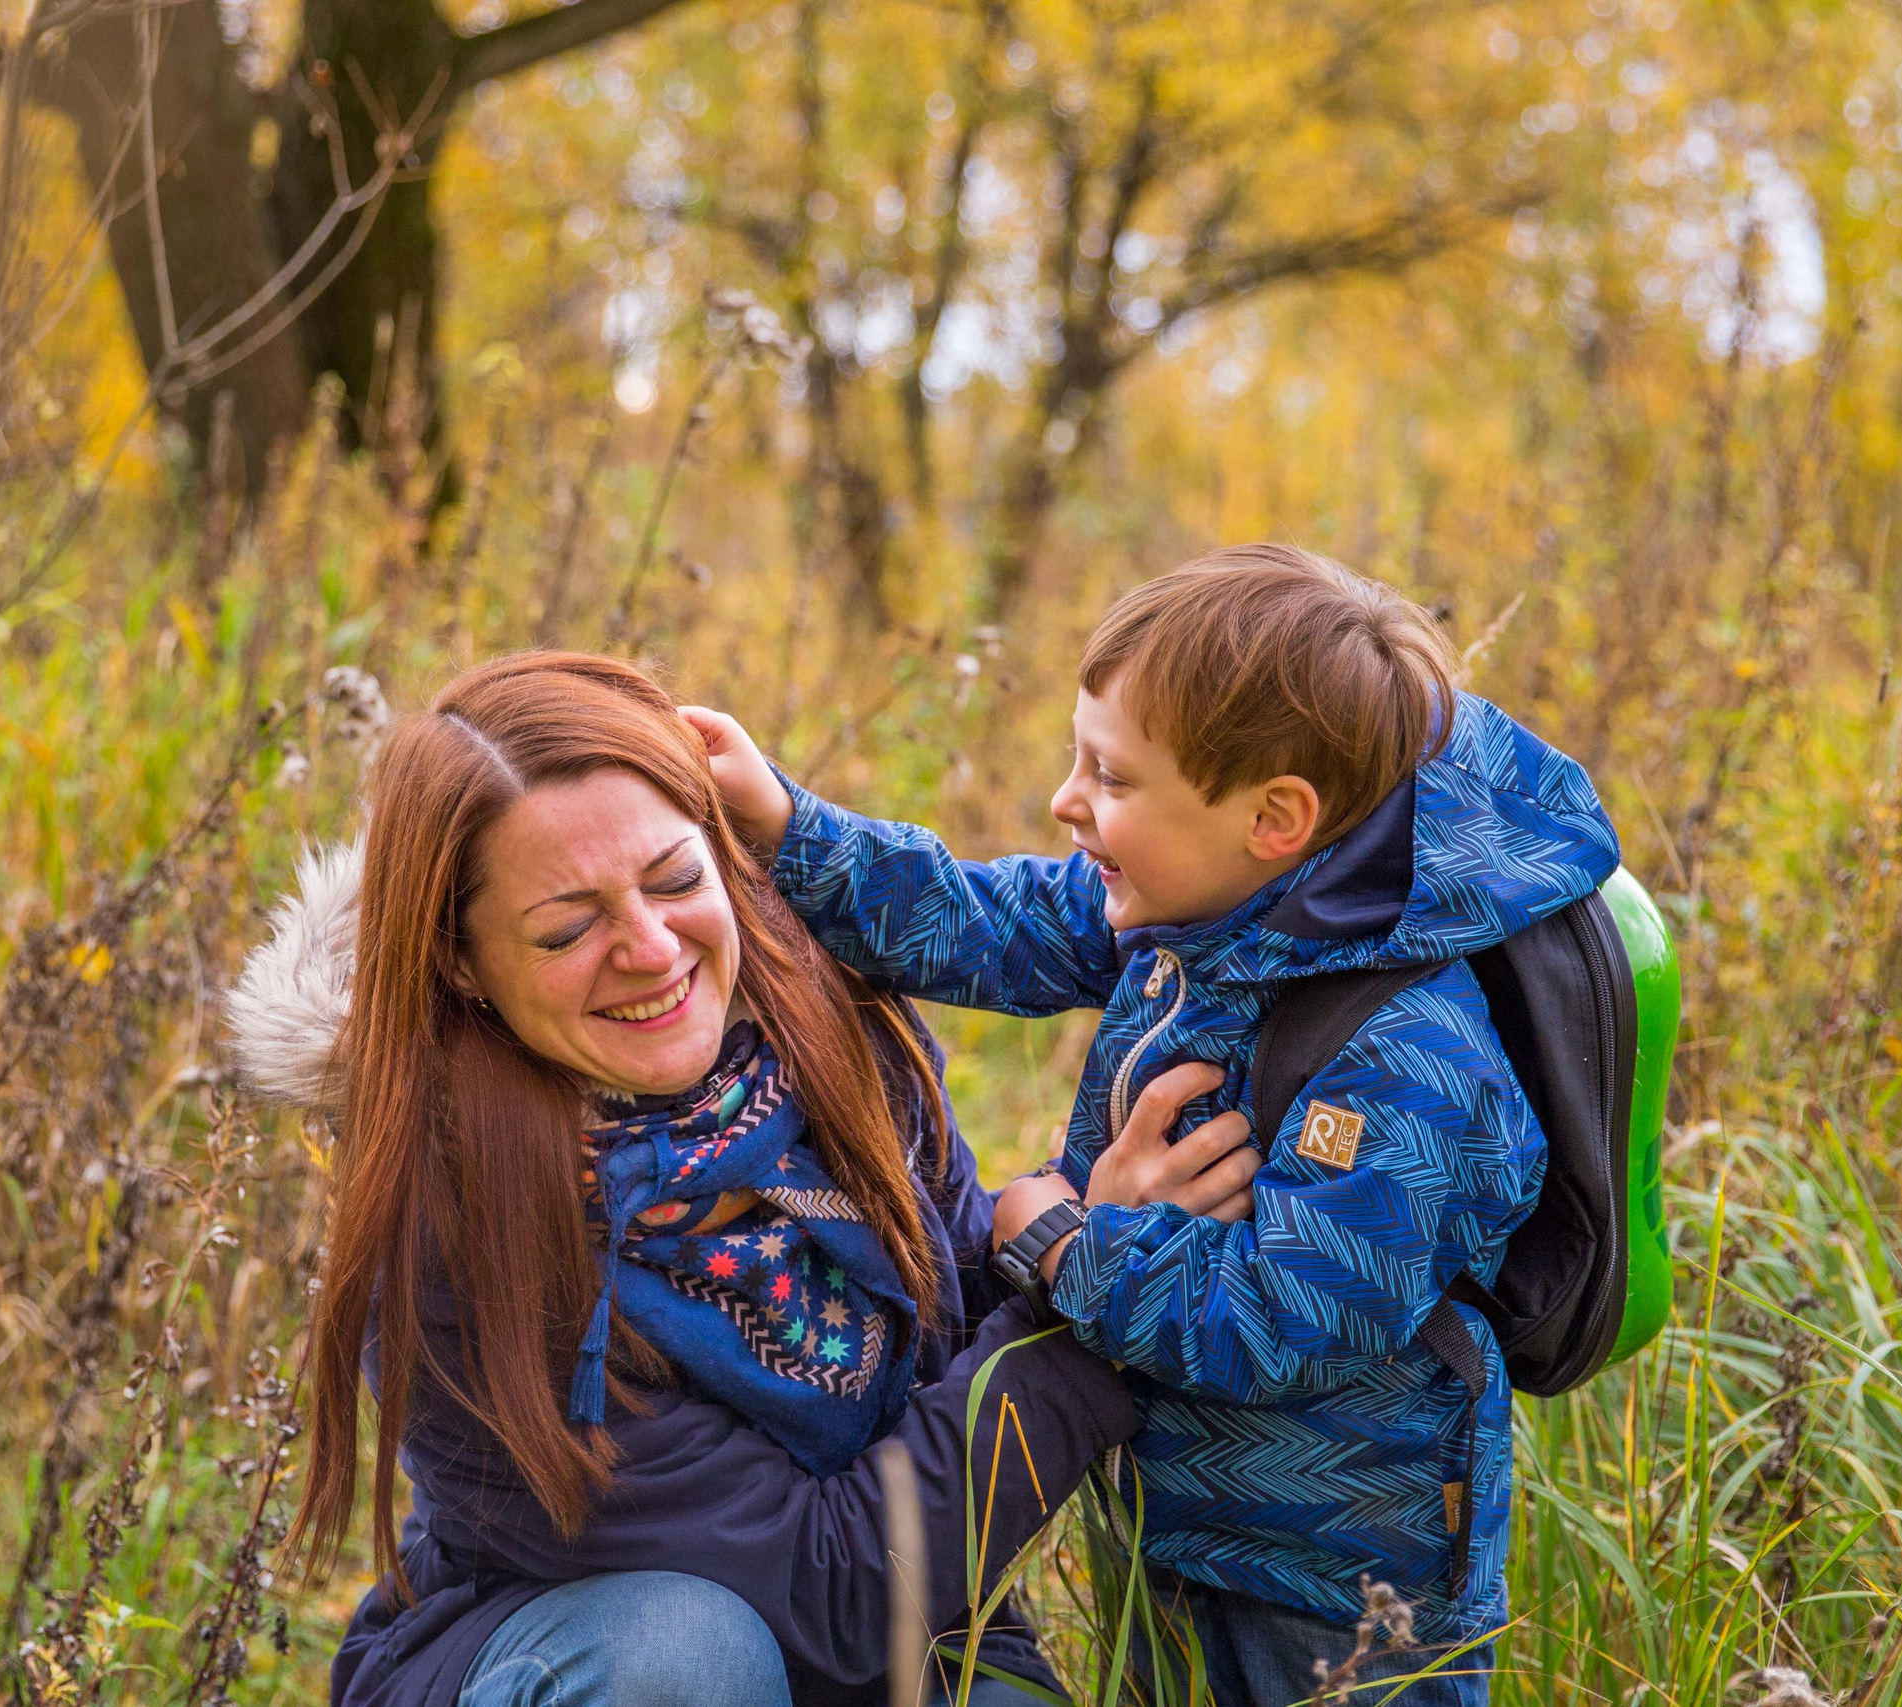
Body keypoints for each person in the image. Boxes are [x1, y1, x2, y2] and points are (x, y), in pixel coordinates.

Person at [686, 545, 1625, 1707]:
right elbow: (991, 922)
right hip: (1174, 1529)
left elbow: (1281, 1323)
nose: (1065, 801)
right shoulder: (1206, 908)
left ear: (1275, 819)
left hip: (1336, 1582)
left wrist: (1068, 1244)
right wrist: (786, 825)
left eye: (1112, 778)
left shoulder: (1411, 1058)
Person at [229, 652, 1262, 1707]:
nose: (647, 948)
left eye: (676, 879)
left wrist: (1079, 1241)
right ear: (460, 963)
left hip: (902, 1633)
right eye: (567, 927)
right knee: (685, 1660)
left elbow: (956, 1355)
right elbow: (826, 1592)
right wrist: (1084, 1301)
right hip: (607, 1659)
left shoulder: (829, 1033)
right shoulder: (450, 1231)